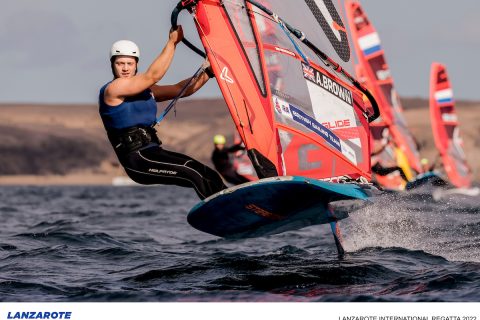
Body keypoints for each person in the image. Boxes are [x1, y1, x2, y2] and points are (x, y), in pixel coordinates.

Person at [99, 27, 226, 199]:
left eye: (130, 63)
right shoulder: (113, 89)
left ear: (136, 64)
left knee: (207, 173)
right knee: (193, 173)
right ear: (112, 65)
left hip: (154, 153)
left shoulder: (148, 91)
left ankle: (243, 208)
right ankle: (222, 216)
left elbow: (182, 89)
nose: (125, 68)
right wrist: (172, 43)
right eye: (120, 63)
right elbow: (152, 76)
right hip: (138, 161)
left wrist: (208, 72)